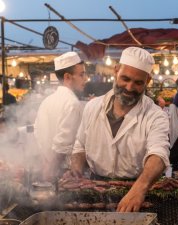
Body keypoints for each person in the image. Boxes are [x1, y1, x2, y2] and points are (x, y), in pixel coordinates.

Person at [66, 47, 170, 212]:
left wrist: (140, 188)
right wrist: (76, 168)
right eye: (125, 79)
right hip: (95, 190)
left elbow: (159, 154)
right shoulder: (92, 107)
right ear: (116, 71)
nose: (129, 88)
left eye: (138, 82)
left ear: (148, 81)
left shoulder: (155, 115)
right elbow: (80, 144)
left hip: (137, 190)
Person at [34, 52, 87, 180]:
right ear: (68, 77)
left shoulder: (47, 100)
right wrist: (50, 170)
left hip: (47, 165)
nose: (85, 79)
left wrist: (45, 163)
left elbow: (37, 132)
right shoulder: (72, 104)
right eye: (81, 74)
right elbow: (62, 145)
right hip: (63, 172)